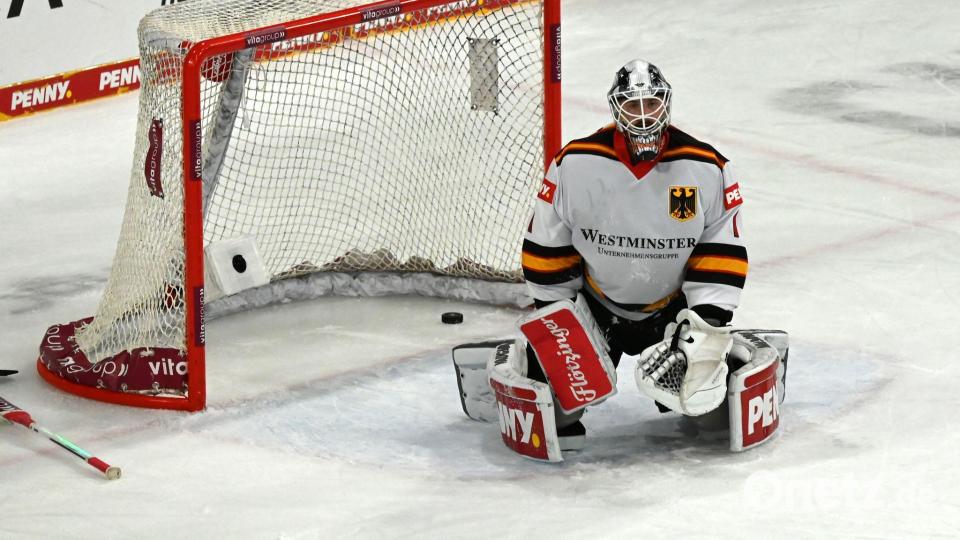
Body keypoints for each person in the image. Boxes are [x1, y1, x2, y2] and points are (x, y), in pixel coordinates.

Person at [520, 59, 748, 446]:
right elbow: (547, 248)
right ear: (615, 108)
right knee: (557, 413)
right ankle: (528, 363)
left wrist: (706, 325)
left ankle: (736, 360)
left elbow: (720, 252)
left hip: (673, 313)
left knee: (713, 419)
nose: (643, 116)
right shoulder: (576, 164)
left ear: (666, 103)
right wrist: (558, 320)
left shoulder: (706, 168)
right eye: (632, 105)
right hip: (596, 308)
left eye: (652, 104)